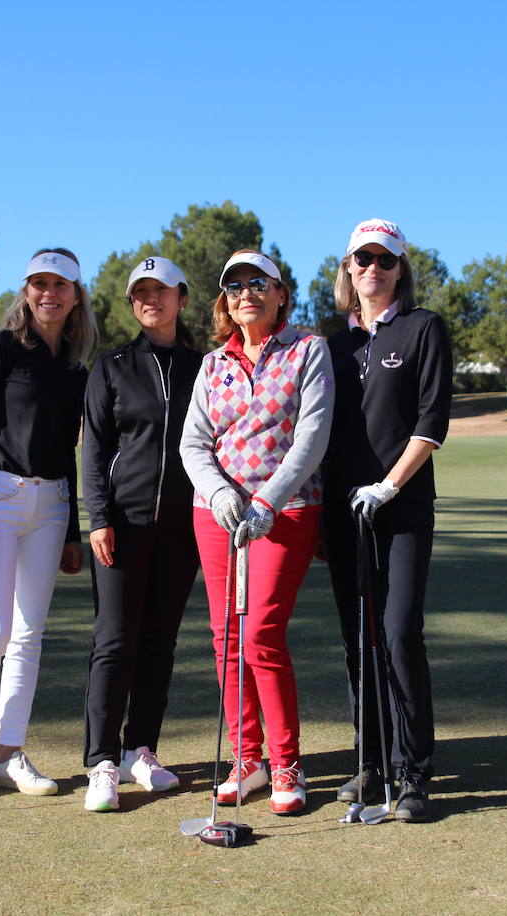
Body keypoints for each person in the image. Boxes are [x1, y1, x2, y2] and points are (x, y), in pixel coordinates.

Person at [179, 249, 334, 816]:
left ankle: (286, 763)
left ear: (280, 292)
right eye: (235, 286)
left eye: (258, 283)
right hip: (216, 511)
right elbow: (193, 443)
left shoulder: (307, 349)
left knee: (261, 632)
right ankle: (248, 760)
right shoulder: (213, 364)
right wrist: (221, 494)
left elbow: (312, 436)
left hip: (286, 510)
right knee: (225, 638)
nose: (247, 293)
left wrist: (269, 500)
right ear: (226, 299)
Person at [0, 247, 97, 803]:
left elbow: (70, 449)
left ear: (76, 295)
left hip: (51, 504)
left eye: (60, 284)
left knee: (29, 635)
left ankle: (9, 754)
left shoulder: (75, 368)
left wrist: (74, 529)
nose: (48, 293)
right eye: (39, 283)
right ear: (26, 291)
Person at [321, 219, 452, 823]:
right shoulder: (331, 343)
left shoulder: (424, 328)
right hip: (343, 513)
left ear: (400, 268)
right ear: (348, 268)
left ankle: (413, 772)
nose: (372, 267)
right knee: (358, 638)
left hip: (401, 509)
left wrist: (389, 485)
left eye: (384, 258)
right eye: (361, 258)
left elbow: (430, 424)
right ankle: (370, 758)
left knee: (398, 632)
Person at [80, 256, 204, 812]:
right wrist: (98, 517)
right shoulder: (112, 366)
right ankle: (102, 761)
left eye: (161, 291)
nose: (150, 300)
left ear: (182, 297)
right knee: (114, 641)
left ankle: (140, 750)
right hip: (123, 525)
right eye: (140, 293)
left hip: (184, 526)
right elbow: (95, 449)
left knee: (160, 642)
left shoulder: (207, 367)